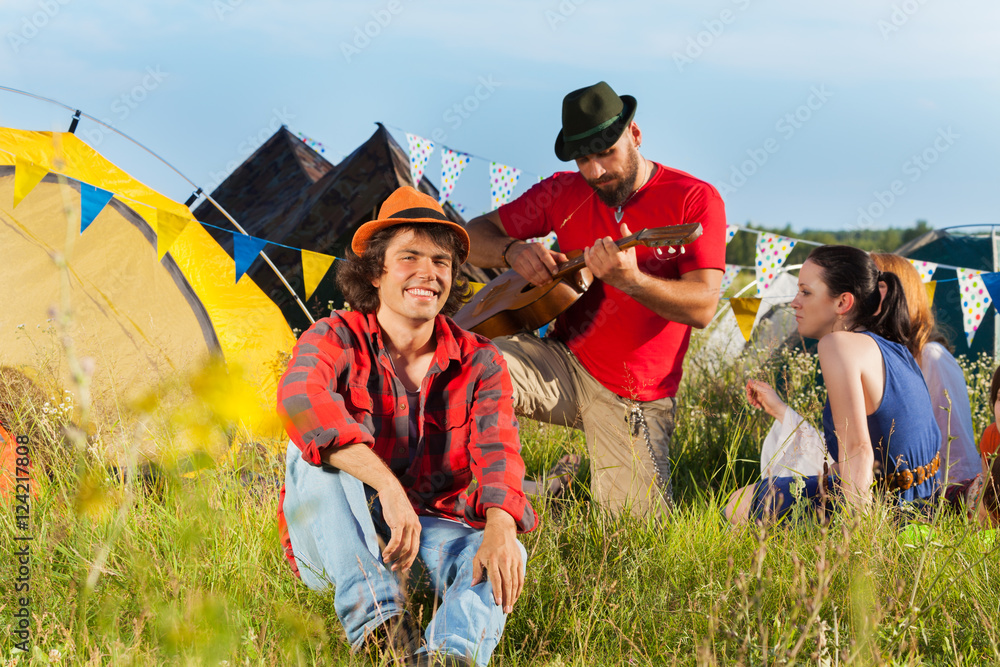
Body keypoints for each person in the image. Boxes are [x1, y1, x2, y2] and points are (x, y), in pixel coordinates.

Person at [276, 186, 538, 667]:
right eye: (409, 257)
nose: (427, 273)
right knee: (313, 450)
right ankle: (381, 627)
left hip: (429, 537)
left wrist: (501, 526)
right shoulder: (335, 335)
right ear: (376, 272)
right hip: (337, 541)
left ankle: (446, 656)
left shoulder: (480, 359)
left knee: (504, 548)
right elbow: (300, 400)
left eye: (440, 261)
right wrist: (386, 486)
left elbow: (500, 452)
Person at [465, 81, 726, 516]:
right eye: (584, 159)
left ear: (635, 136)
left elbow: (703, 307)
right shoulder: (560, 191)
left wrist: (632, 281)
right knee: (463, 363)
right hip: (561, 363)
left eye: (607, 153)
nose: (596, 170)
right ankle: (497, 489)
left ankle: (562, 486)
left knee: (633, 536)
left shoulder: (693, 199)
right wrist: (513, 250)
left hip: (634, 394)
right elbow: (473, 236)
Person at [725, 245, 942, 524]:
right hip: (925, 507)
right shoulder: (895, 347)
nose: (794, 302)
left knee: (738, 505)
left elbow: (858, 450)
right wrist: (780, 409)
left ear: (842, 303)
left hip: (888, 514)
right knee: (752, 494)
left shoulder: (837, 344)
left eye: (805, 291)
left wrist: (857, 547)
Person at [870, 253, 979, 484]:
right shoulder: (880, 353)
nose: (866, 290)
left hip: (936, 496)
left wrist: (947, 500)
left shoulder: (932, 356)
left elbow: (955, 442)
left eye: (877, 283)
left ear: (901, 291)